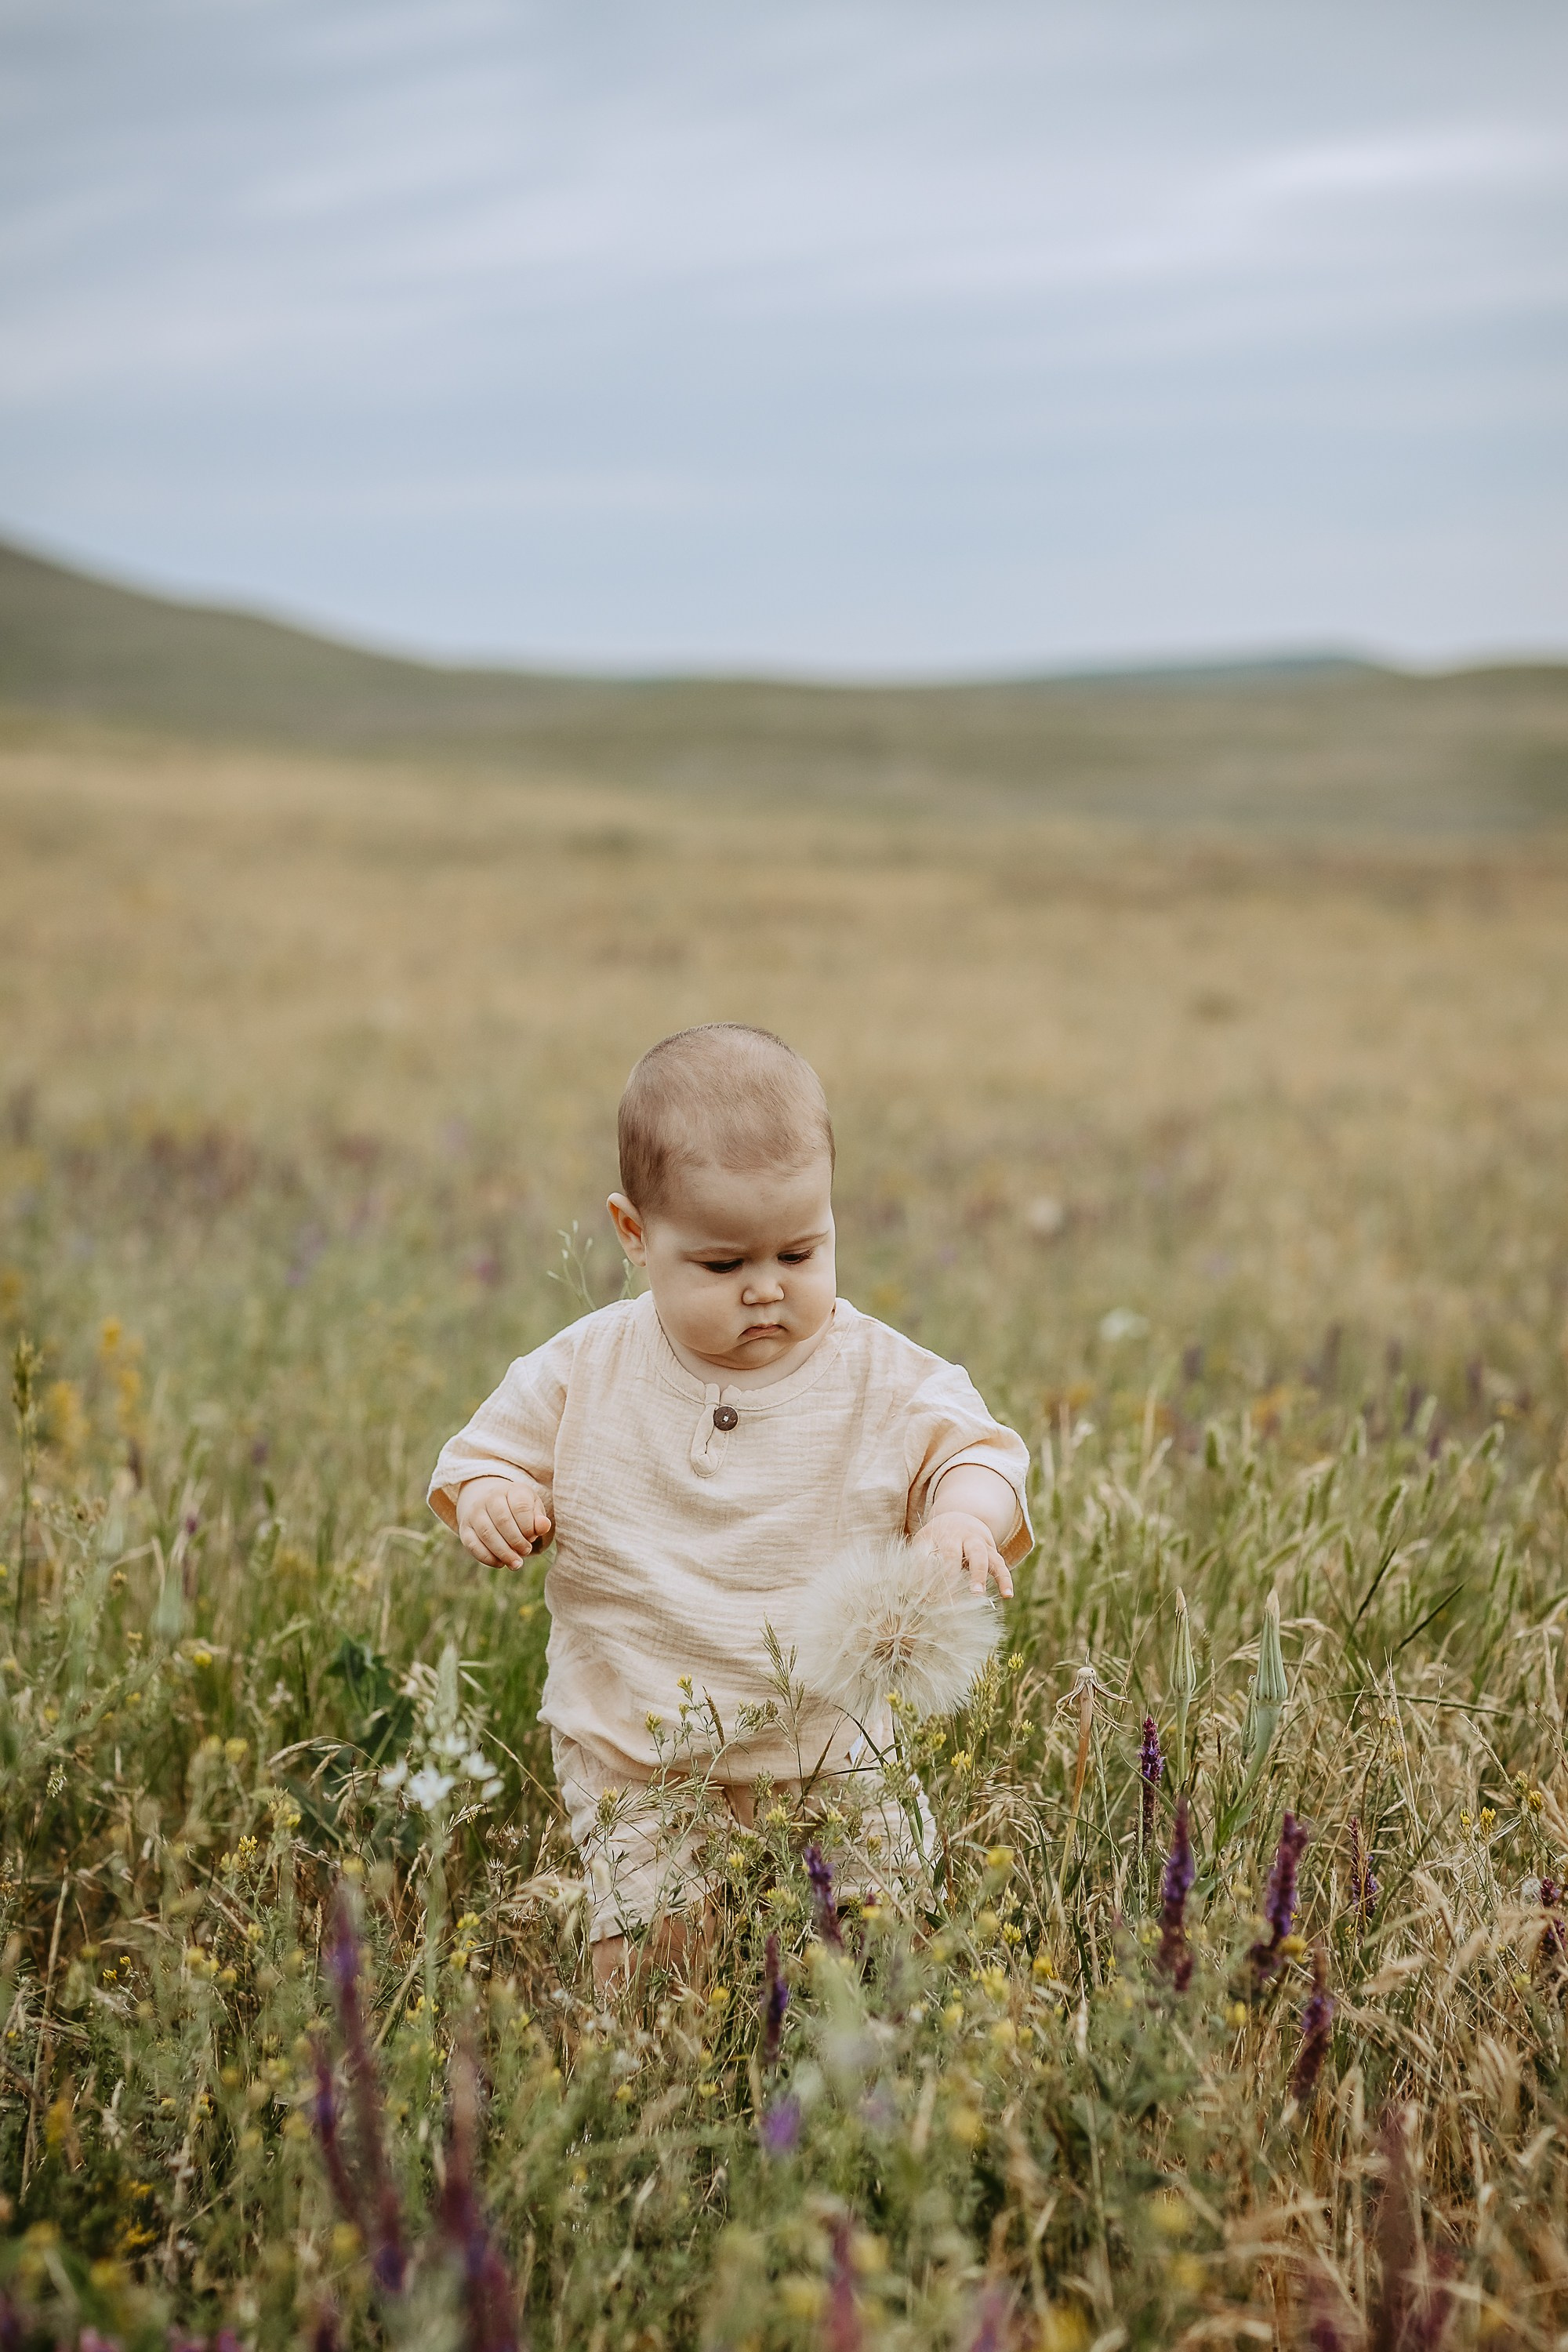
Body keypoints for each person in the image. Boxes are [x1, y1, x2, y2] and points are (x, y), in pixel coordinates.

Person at [428, 1023, 1032, 1987]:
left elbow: (976, 1448)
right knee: (652, 1964)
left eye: (799, 1252)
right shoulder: (586, 1367)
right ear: (634, 1234)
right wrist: (495, 1496)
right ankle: (655, 2055)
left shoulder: (875, 1372)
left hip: (834, 1746)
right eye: (721, 1266)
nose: (765, 1290)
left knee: (886, 1953)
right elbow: (483, 1456)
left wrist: (961, 1517)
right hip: (640, 1752)